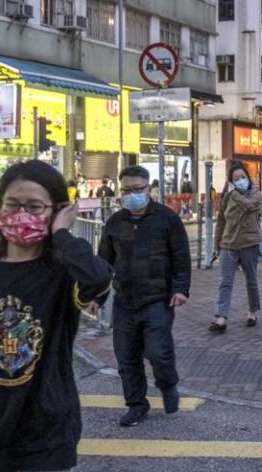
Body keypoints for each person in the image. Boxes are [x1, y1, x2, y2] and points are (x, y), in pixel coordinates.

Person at [0, 160, 113, 470]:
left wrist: (63, 235)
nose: (21, 213)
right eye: (12, 204)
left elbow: (100, 279)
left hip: (45, 431)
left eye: (35, 206)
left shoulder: (64, 271)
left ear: (56, 212)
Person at [97, 165, 190, 427]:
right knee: (126, 358)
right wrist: (96, 297)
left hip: (157, 300)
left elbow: (181, 257)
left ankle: (167, 384)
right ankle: (137, 405)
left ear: (148, 189)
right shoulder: (114, 223)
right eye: (127, 190)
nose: (133, 194)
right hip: (125, 302)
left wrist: (181, 289)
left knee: (158, 351)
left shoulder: (167, 219)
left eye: (138, 189)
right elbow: (103, 264)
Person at [210, 163, 262, 332]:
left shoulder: (254, 193)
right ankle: (221, 317)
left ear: (248, 177)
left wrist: (233, 193)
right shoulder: (227, 196)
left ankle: (252, 312)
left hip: (249, 243)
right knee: (225, 282)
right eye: (236, 179)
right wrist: (217, 244)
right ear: (230, 181)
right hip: (228, 243)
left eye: (242, 177)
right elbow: (221, 221)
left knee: (251, 280)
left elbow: (249, 206)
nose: (240, 181)